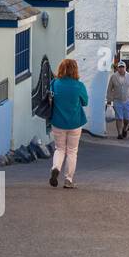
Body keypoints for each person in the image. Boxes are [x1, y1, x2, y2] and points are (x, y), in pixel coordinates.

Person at [49, 58, 88, 189]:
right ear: (75, 70)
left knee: (59, 149)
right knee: (72, 151)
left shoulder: (55, 83)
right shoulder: (79, 85)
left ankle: (55, 168)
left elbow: (50, 98)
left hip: (58, 121)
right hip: (75, 122)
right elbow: (85, 102)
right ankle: (68, 180)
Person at [106, 63, 129, 140]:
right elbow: (109, 89)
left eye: (122, 67)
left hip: (128, 100)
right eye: (120, 67)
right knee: (119, 118)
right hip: (117, 100)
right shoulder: (113, 76)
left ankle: (125, 129)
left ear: (125, 67)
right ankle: (119, 133)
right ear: (118, 68)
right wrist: (109, 100)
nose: (121, 69)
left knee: (127, 119)